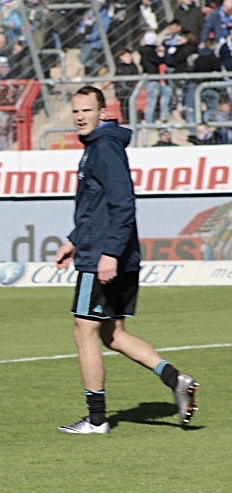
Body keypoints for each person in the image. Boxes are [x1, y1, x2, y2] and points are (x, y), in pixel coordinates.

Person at [53, 86, 198, 435]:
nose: (80, 117)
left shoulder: (104, 148)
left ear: (103, 113)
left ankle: (97, 419)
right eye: (75, 111)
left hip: (104, 257)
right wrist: (74, 240)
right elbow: (96, 209)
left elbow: (124, 204)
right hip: (106, 252)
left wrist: (108, 254)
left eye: (87, 110)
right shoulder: (100, 147)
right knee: (112, 334)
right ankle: (175, 379)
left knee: (83, 331)